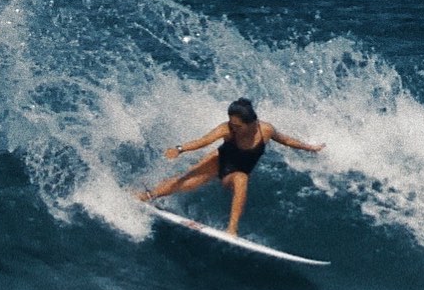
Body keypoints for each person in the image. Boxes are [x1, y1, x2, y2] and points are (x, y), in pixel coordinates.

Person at [138, 98, 325, 235]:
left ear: (251, 123)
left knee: (241, 179)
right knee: (186, 182)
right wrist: (180, 149)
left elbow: (286, 140)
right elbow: (204, 141)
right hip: (220, 160)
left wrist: (310, 148)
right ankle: (146, 196)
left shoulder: (266, 130)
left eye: (237, 125)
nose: (233, 128)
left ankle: (232, 229)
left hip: (235, 172)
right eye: (231, 123)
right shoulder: (226, 129)